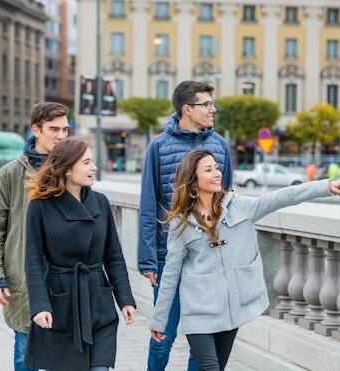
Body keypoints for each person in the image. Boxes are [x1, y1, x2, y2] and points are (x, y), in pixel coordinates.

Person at [150, 149, 340, 371]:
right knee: (209, 368)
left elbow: (282, 197)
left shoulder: (238, 206)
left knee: (217, 366)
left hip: (231, 311)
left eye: (216, 167)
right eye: (208, 170)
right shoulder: (181, 222)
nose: (217, 173)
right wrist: (160, 321)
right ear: (193, 180)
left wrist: (324, 186)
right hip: (198, 311)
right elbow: (170, 274)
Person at [138, 80, 234, 371]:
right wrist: (148, 260)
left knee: (204, 340)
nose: (213, 109)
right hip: (170, 260)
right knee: (162, 337)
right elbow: (147, 204)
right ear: (187, 109)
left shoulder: (219, 145)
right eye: (207, 104)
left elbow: (227, 203)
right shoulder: (158, 146)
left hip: (208, 261)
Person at [23, 139, 136, 371]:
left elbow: (113, 256)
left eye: (92, 161)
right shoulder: (41, 206)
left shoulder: (101, 202)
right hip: (61, 304)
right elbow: (33, 262)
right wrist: (40, 305)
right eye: (86, 162)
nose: (94, 167)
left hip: (99, 301)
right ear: (66, 168)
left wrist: (125, 299)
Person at [0, 102, 70, 371]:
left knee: (66, 358)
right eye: (54, 129)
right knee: (25, 355)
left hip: (66, 279)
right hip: (26, 278)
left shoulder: (73, 170)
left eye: (65, 129)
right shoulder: (11, 173)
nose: (61, 136)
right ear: (35, 130)